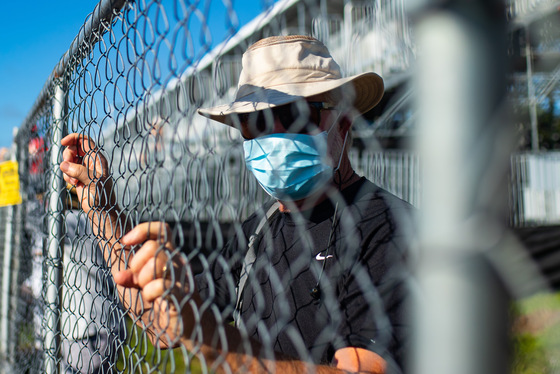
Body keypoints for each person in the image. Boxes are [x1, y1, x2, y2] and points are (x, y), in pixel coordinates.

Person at [59, 35, 414, 373]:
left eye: (293, 114)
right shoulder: (259, 230)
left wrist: (211, 338)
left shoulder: (388, 227)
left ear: (343, 124)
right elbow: (161, 328)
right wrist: (101, 210)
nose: (272, 133)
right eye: (253, 121)